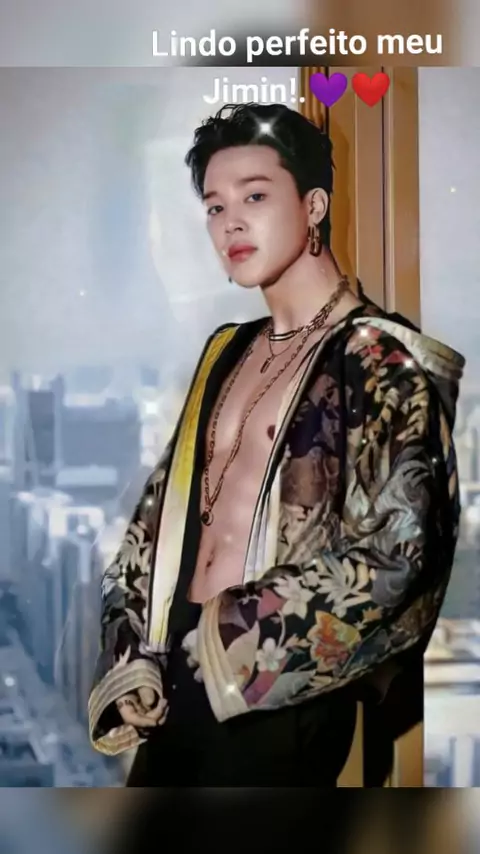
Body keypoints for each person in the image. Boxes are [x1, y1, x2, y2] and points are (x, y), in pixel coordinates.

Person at [88, 102, 465, 786]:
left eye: (255, 196)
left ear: (313, 205)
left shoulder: (377, 358)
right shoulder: (227, 352)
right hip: (174, 690)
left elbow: (400, 551)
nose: (230, 222)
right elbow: (155, 523)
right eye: (215, 206)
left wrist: (235, 635)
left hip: (275, 697)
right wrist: (134, 655)